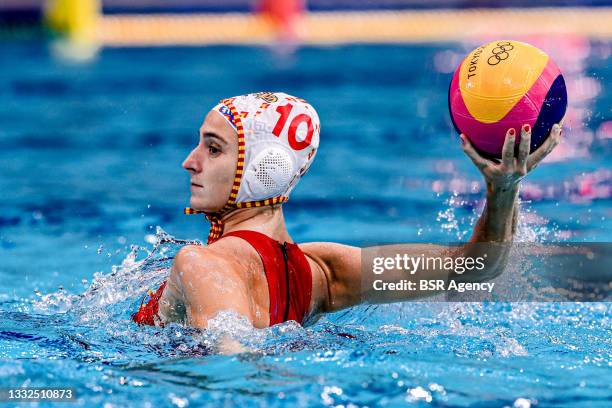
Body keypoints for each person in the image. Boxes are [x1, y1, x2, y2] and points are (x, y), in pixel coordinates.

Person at [132, 91, 562, 332]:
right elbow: (476, 268)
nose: (190, 161)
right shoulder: (322, 273)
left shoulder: (200, 265)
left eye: (213, 148)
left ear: (263, 169)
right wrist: (503, 188)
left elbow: (232, 375)